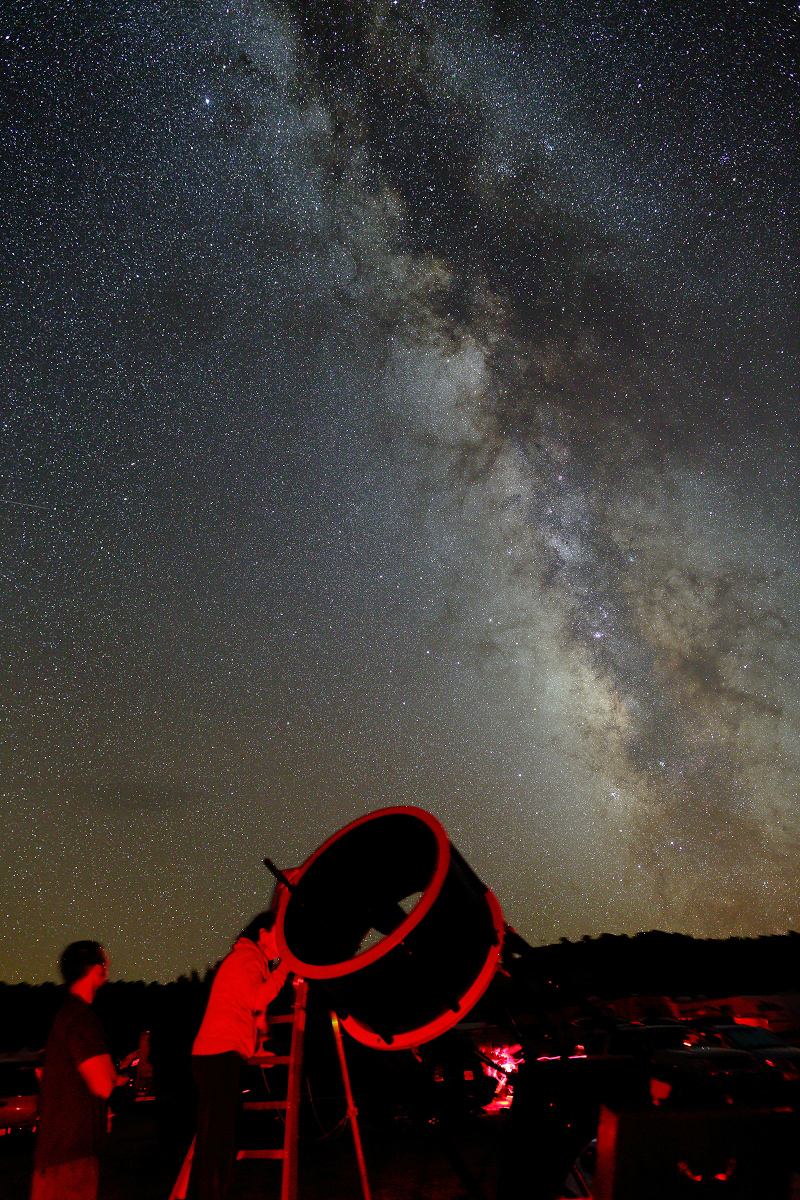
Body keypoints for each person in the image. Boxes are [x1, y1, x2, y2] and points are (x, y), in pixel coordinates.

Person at [188, 909, 291, 1200]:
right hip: (218, 1056)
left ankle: (204, 1193)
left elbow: (241, 1010)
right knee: (219, 1143)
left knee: (215, 1141)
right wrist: (285, 970)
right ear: (262, 934)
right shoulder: (247, 958)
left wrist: (258, 1047)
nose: (283, 940)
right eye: (278, 933)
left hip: (218, 1055)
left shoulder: (251, 961)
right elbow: (255, 998)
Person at [30, 940, 125, 1200]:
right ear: (97, 969)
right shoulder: (81, 1018)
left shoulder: (67, 1015)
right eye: (105, 963)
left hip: (57, 1157)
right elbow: (102, 1085)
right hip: (71, 1158)